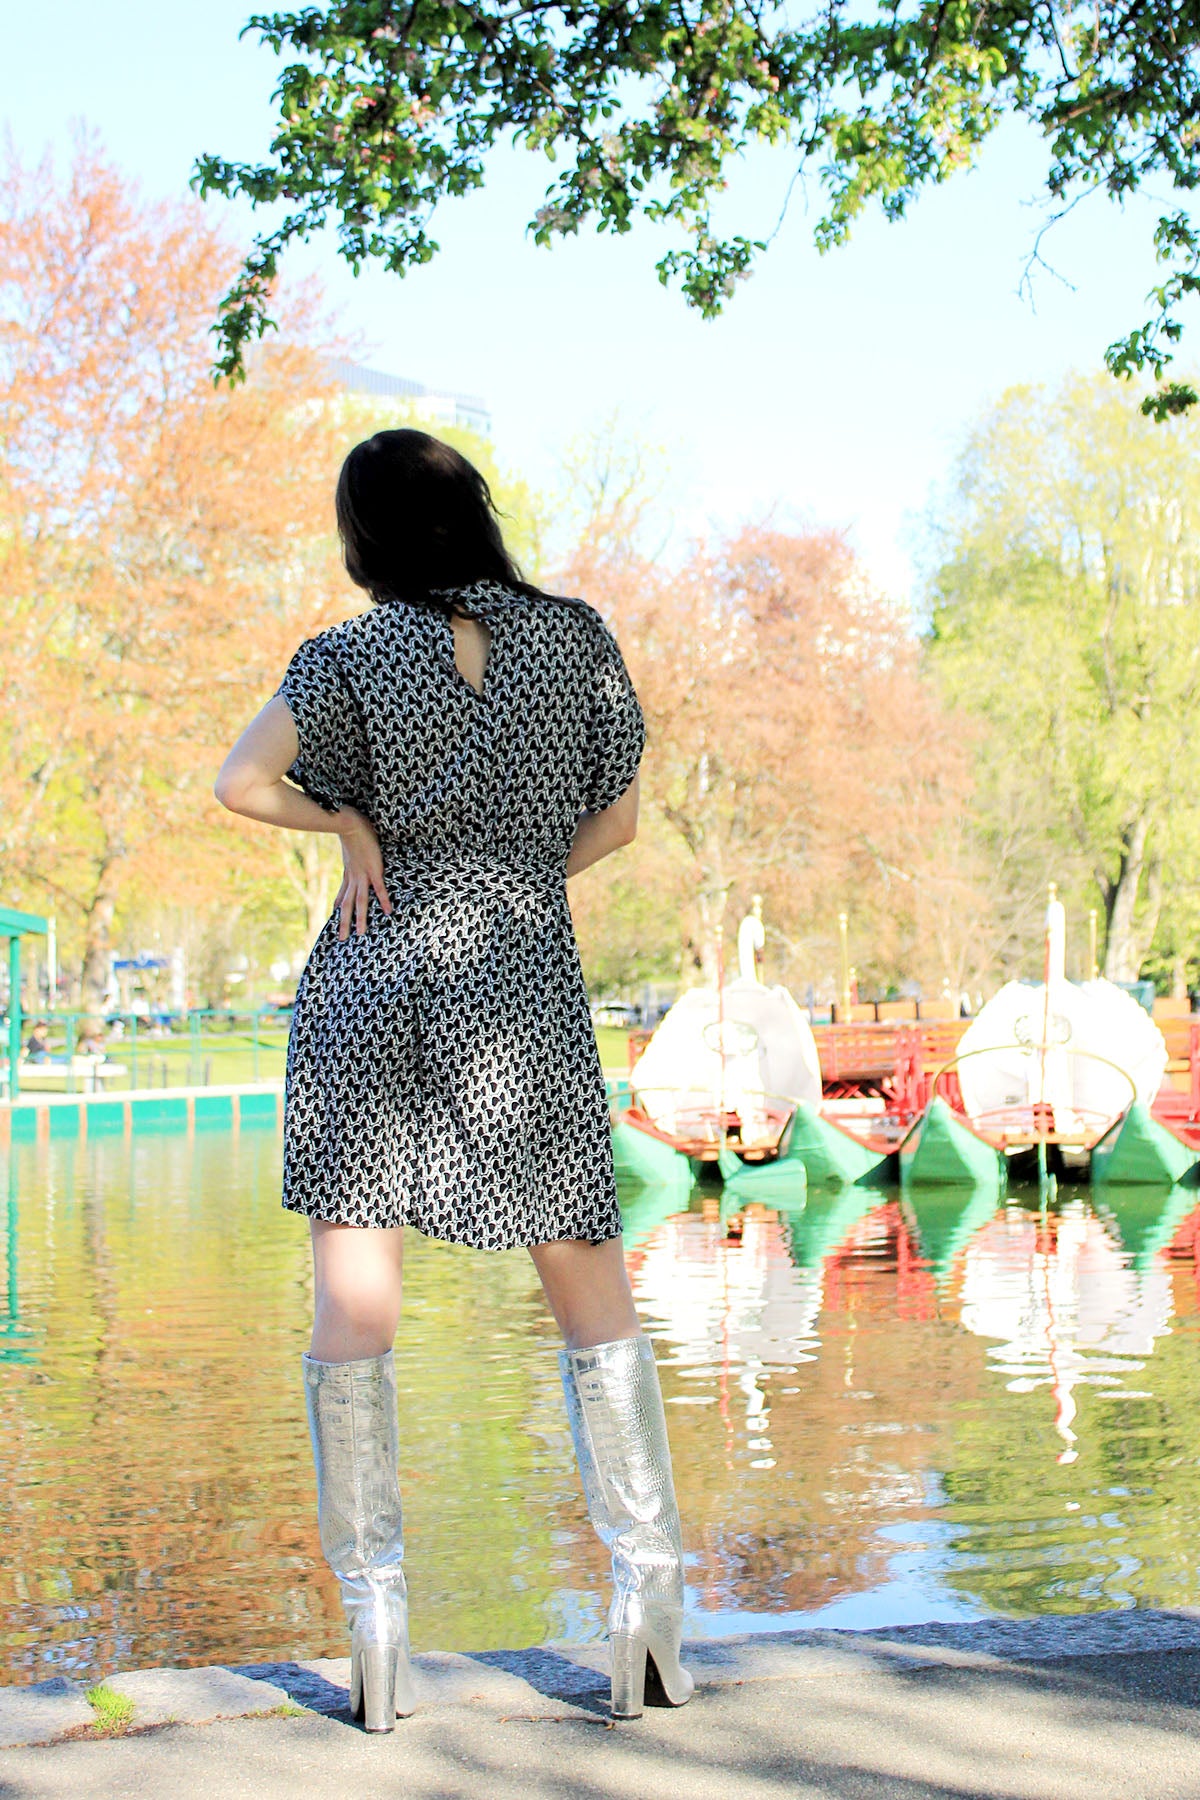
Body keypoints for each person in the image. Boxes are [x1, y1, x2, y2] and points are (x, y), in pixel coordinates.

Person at [214, 429, 692, 1733]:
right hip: (520, 985)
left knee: (355, 1309)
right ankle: (647, 1611)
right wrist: (515, 877)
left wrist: (349, 820)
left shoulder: (349, 655)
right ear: (473, 515)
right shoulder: (576, 640)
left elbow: (240, 781)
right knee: (590, 1295)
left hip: (371, 978)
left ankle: (378, 1637)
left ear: (364, 534)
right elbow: (619, 818)